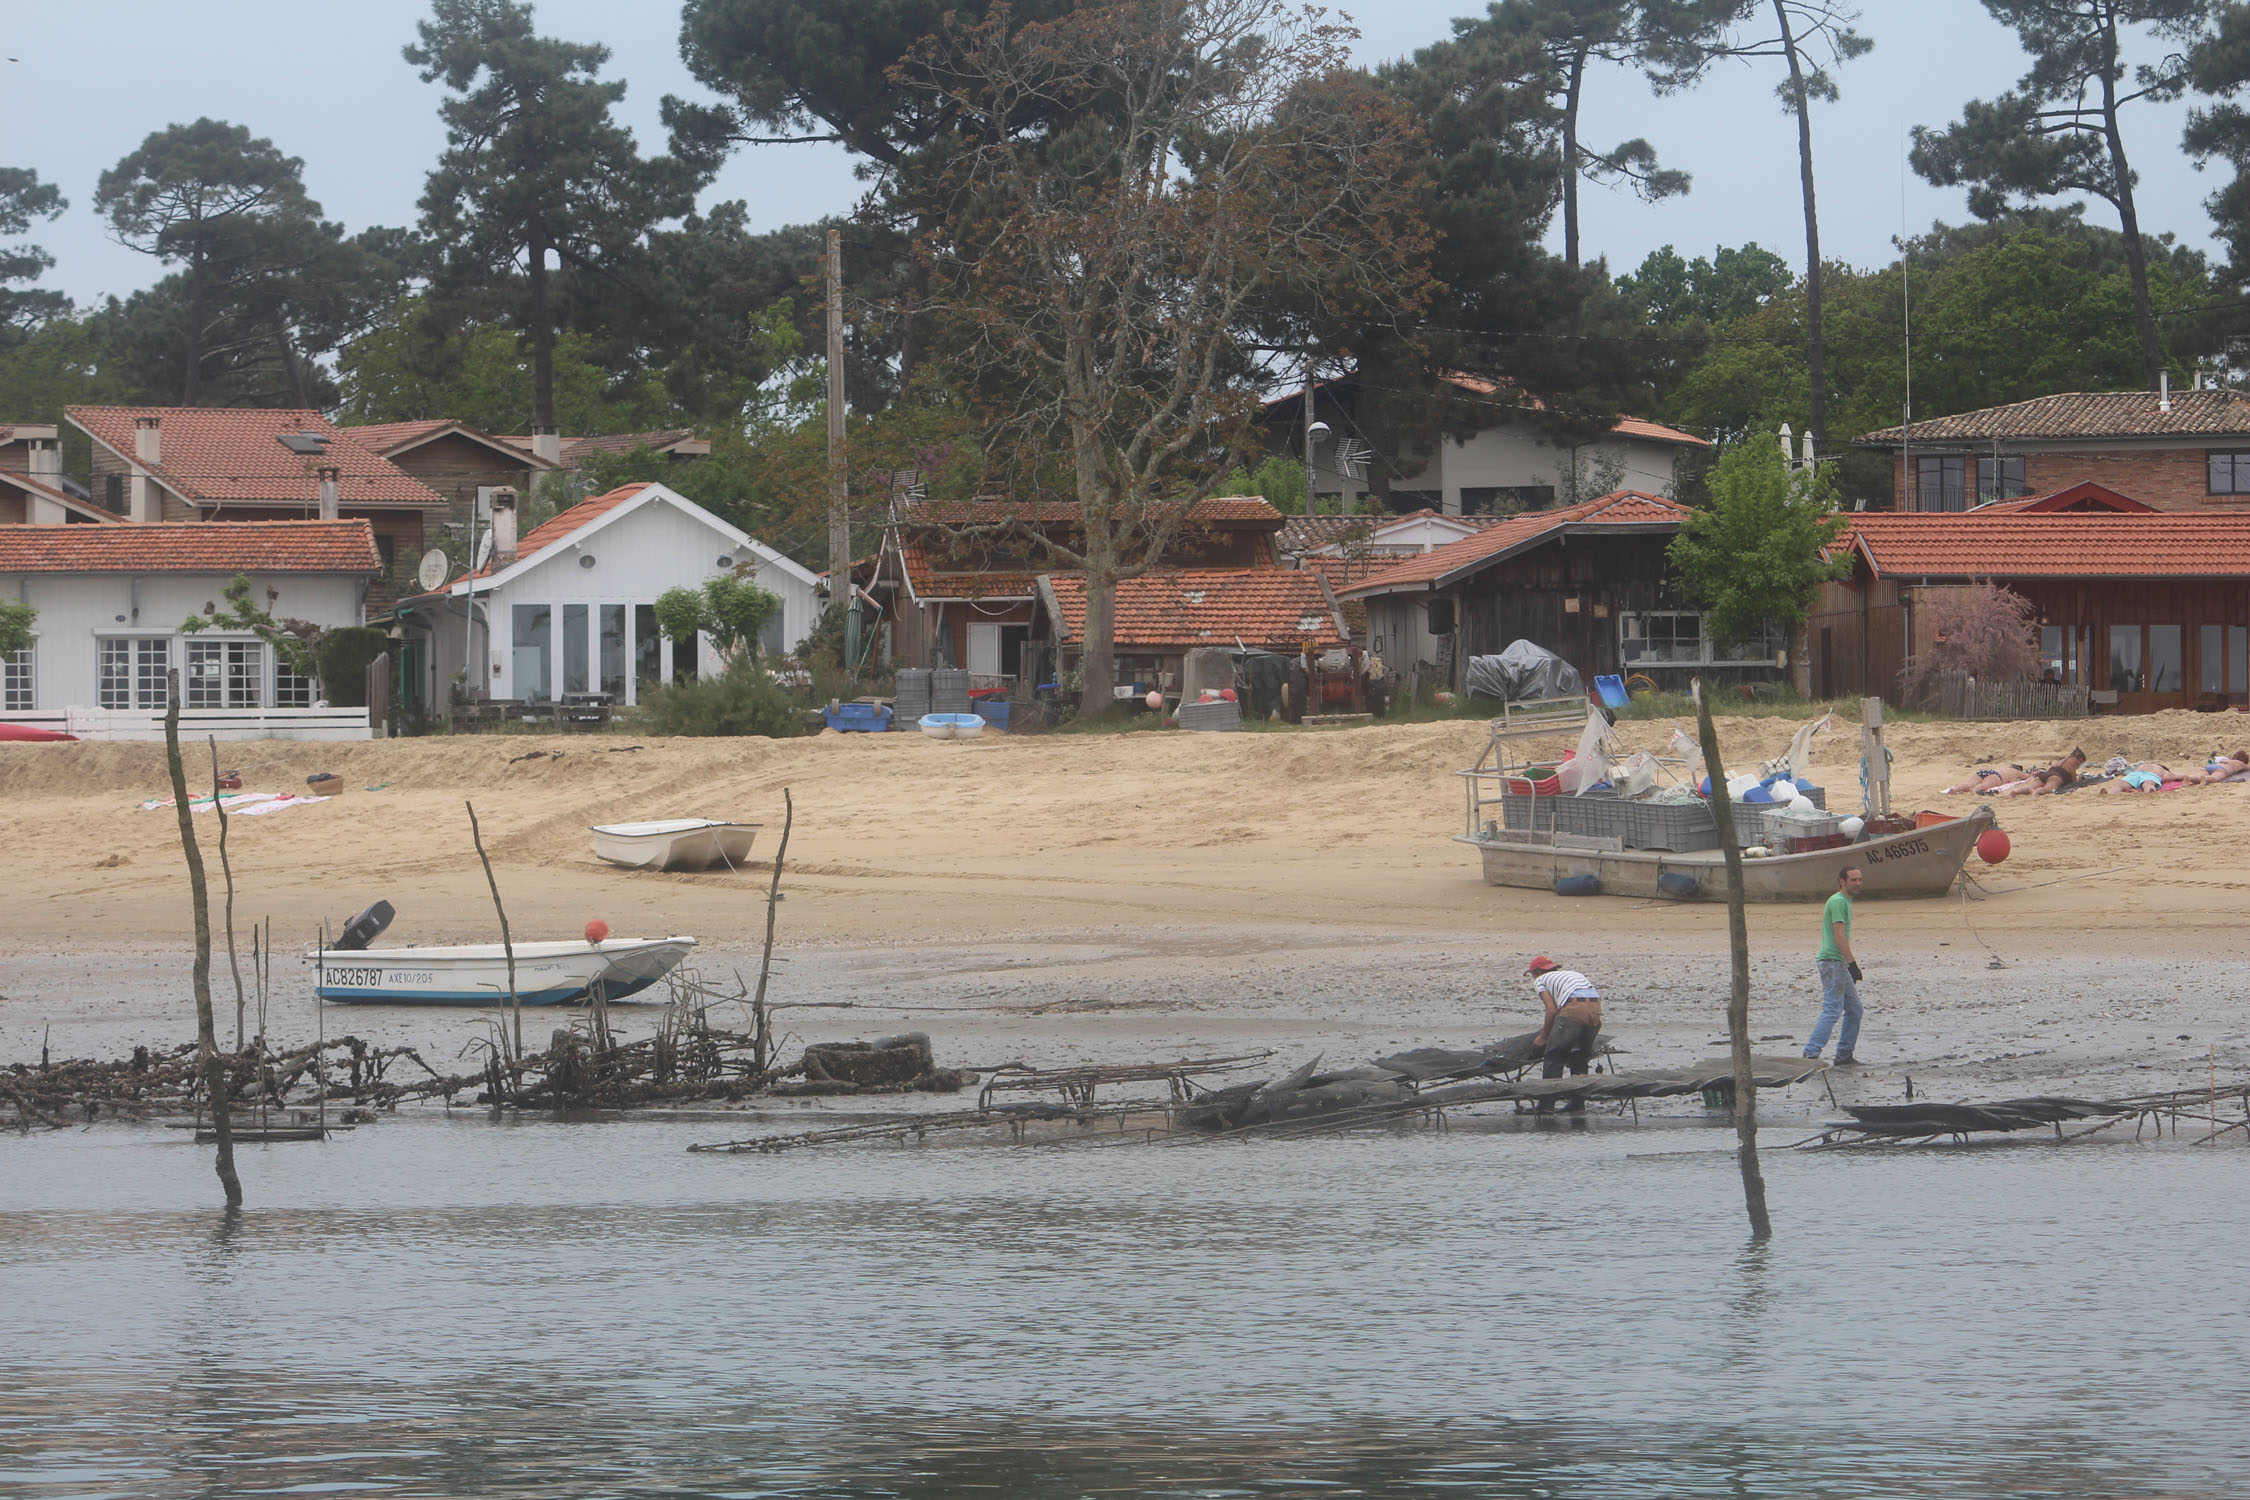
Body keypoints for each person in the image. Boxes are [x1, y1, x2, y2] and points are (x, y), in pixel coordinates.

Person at [1803, 867, 1864, 1066]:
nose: (1857, 883)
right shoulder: (1838, 901)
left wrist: (1848, 965)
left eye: (1859, 879)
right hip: (1832, 962)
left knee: (1854, 1009)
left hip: (1838, 963)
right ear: (1842, 881)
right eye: (1853, 879)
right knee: (1832, 1009)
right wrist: (1852, 964)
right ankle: (1810, 1055)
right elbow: (1839, 935)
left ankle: (1844, 1055)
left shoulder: (1845, 901)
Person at [1526, 956, 1602, 1113]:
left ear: (1538, 972)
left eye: (1532, 974)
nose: (1533, 978)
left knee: (1554, 1055)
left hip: (1574, 1008)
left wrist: (1543, 1037)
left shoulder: (1540, 980)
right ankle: (1577, 1103)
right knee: (1580, 1056)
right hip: (1595, 1010)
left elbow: (1552, 1010)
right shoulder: (1573, 974)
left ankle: (1546, 1105)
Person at [1998, 747, 2085, 796]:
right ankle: (2037, 792)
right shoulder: (2072, 764)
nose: (2079, 763)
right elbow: (2074, 781)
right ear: (2077, 758)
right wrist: (2078, 778)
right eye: (2080, 761)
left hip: (2045, 774)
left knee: (2032, 786)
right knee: (2046, 789)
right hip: (2056, 777)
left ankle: (2016, 792)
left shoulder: (2062, 760)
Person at [1941, 764, 2023, 794]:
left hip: (1986, 771)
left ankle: (1955, 789)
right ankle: (1974, 792)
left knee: (1970, 784)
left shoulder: (2004, 768)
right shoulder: (2016, 772)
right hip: (1997, 776)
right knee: (1984, 785)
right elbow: (2028, 776)